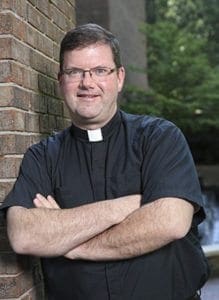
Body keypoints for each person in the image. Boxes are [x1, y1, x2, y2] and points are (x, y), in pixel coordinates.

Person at [1, 23, 209, 300]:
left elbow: (170, 222)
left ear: (119, 77)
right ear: (61, 80)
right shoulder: (42, 156)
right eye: (75, 72)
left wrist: (69, 244)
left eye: (100, 71)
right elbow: (24, 236)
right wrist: (131, 205)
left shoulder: (160, 137)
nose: (87, 83)